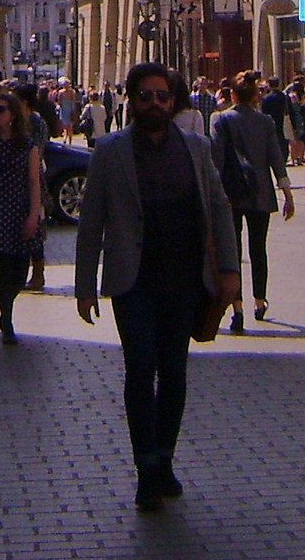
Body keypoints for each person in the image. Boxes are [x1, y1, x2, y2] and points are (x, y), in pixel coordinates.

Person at [76, 63, 240, 512]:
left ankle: (165, 457)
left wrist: (230, 271)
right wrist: (84, 285)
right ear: (132, 100)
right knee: (139, 368)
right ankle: (145, 468)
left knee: (174, 372)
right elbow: (91, 221)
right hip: (134, 280)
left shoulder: (195, 147)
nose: (154, 104)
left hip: (185, 279)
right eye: (145, 96)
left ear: (173, 102)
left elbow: (219, 210)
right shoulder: (110, 150)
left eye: (162, 96)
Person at [211, 73, 293, 331]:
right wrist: (287, 192)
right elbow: (275, 157)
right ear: (256, 95)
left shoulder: (221, 120)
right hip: (260, 192)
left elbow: (216, 160)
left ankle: (237, 307)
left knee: (232, 251)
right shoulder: (266, 122)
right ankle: (260, 300)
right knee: (258, 249)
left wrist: (211, 194)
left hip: (230, 194)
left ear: (232, 95)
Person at [0, 88, 45, 344]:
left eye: (1, 110)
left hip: (20, 209)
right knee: (4, 268)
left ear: (13, 115)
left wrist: (33, 215)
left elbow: (34, 181)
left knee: (20, 270)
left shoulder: (27, 145)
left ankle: (10, 299)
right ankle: (6, 317)